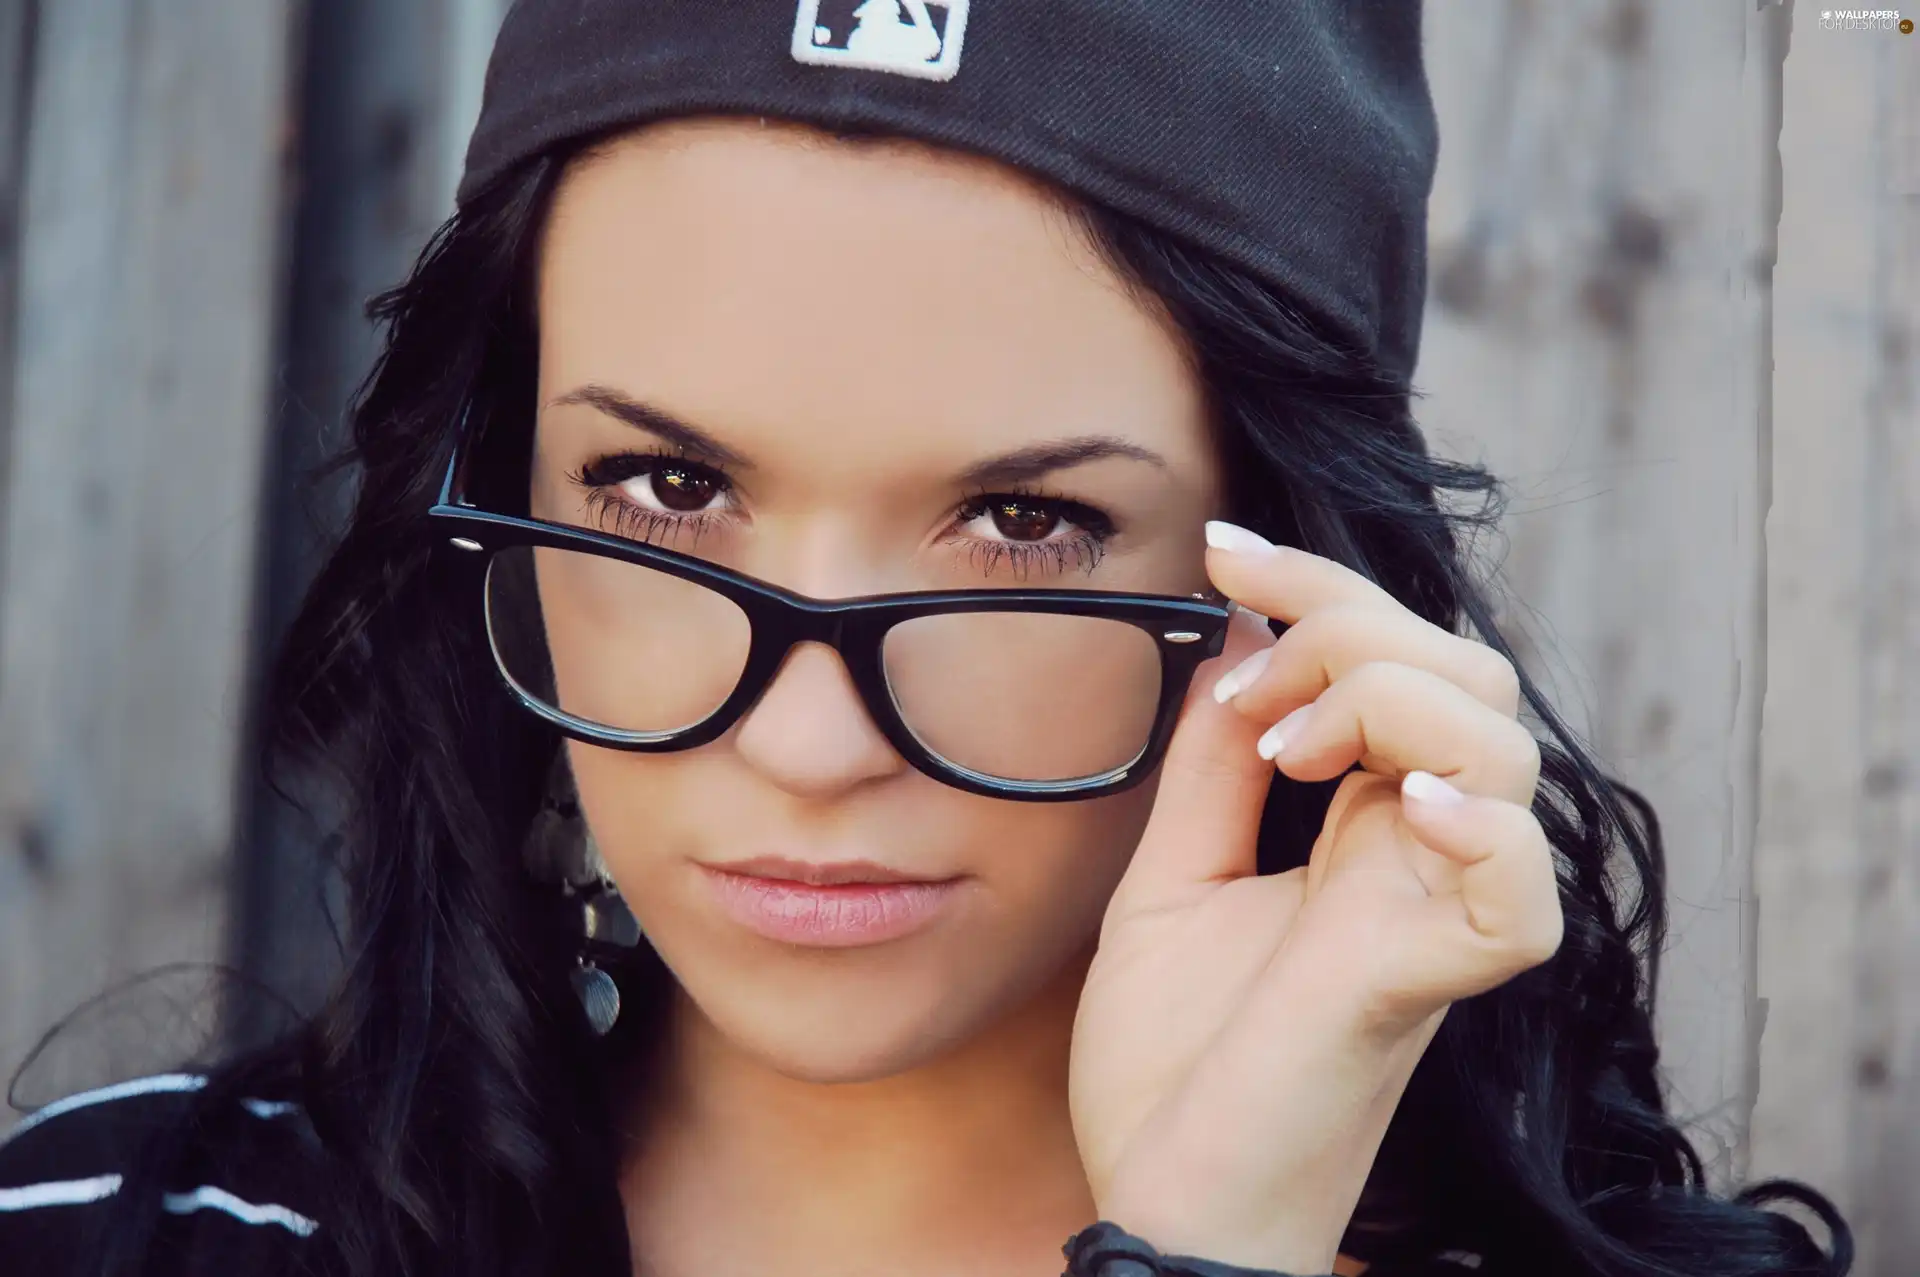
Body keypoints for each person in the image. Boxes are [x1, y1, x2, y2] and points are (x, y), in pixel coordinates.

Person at [0, 3, 1853, 1276]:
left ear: (1282, 574)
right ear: (501, 476)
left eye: (1027, 524)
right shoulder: (104, 1235)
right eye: (659, 487)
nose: (809, 748)